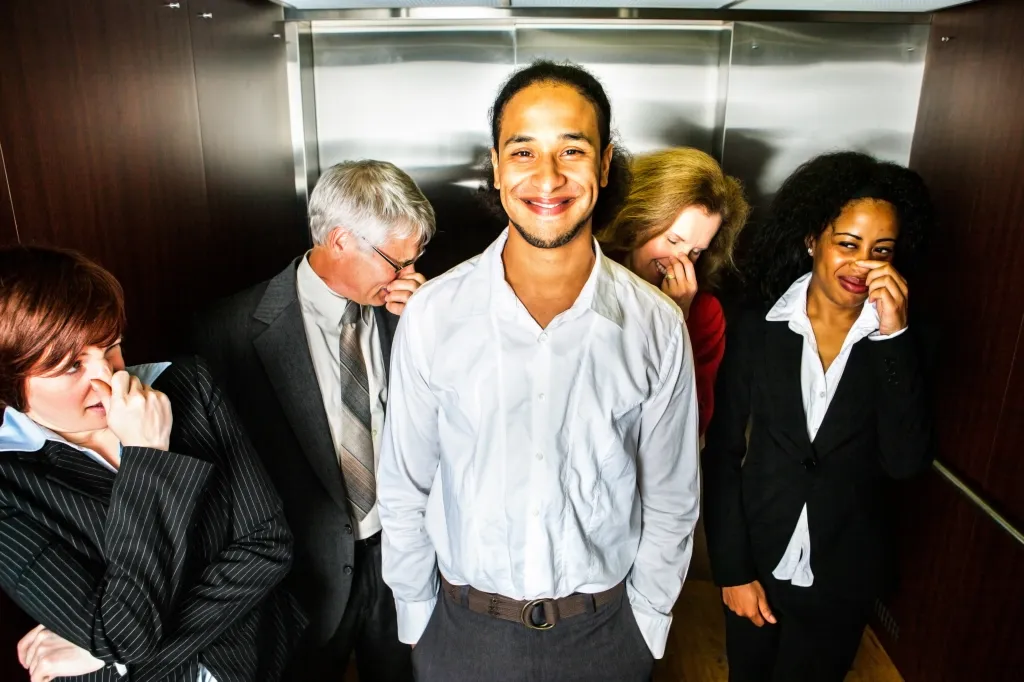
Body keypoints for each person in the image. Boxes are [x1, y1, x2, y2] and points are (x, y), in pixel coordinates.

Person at [376, 60, 701, 682]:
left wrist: (648, 622)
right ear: (496, 166)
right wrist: (419, 621)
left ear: (604, 166)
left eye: (571, 149)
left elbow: (672, 497)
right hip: (462, 633)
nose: (547, 177)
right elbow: (405, 485)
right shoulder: (434, 315)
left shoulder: (656, 325)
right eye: (523, 150)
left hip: (605, 637)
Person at [0, 246, 304, 682]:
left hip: (253, 661)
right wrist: (146, 456)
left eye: (111, 347)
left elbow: (269, 545)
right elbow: (121, 632)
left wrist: (108, 653)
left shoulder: (187, 385)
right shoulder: (9, 484)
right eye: (71, 366)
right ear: (11, 379)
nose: (106, 377)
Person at [191, 160, 434, 682]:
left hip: (402, 562)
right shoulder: (227, 333)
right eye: (396, 260)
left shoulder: (415, 313)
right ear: (341, 240)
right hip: (302, 578)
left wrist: (433, 328)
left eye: (416, 259)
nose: (408, 275)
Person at [702, 151, 934, 681]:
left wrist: (893, 338)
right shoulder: (757, 326)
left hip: (843, 578)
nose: (862, 265)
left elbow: (905, 462)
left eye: (881, 250)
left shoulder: (903, 342)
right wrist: (732, 571)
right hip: (758, 565)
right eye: (847, 244)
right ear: (813, 240)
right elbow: (722, 454)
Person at [598, 147, 750, 435]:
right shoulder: (589, 279)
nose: (679, 261)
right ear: (638, 220)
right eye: (672, 240)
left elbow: (693, 420)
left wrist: (675, 318)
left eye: (695, 251)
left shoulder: (704, 314)